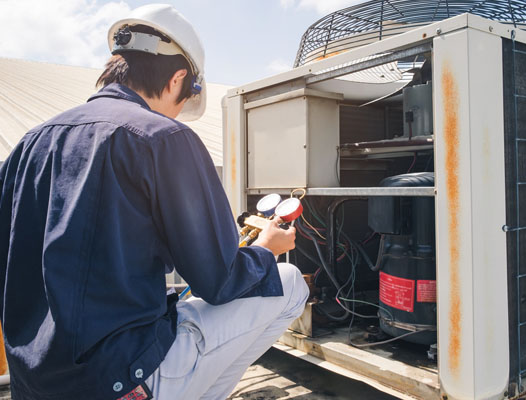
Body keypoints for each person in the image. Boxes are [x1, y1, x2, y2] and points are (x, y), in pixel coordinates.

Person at [0, 4, 308, 400]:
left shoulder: (30, 144)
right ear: (179, 78)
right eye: (186, 98)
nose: (179, 111)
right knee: (289, 283)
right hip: (119, 377)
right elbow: (218, 281)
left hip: (36, 384)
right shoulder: (164, 138)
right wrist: (266, 248)